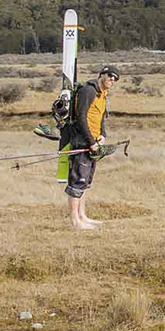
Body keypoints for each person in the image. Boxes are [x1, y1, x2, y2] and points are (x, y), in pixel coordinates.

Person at [63, 65, 120, 230]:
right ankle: (75, 221)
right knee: (78, 180)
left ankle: (82, 215)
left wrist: (102, 135)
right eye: (110, 76)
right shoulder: (88, 90)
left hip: (94, 141)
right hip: (83, 141)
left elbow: (100, 117)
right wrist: (91, 142)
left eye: (115, 79)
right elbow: (81, 117)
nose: (112, 80)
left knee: (86, 181)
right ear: (102, 74)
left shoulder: (102, 94)